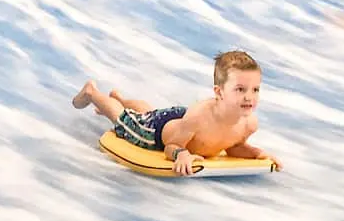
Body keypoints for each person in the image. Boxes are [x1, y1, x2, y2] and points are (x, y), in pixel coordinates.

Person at [72, 50, 282, 175]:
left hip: (180, 119)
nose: (249, 97)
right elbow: (171, 146)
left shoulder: (248, 123)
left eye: (255, 89)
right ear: (219, 92)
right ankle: (94, 93)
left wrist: (257, 154)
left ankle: (120, 98)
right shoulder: (200, 117)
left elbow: (233, 148)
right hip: (156, 133)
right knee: (127, 120)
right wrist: (181, 154)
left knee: (149, 111)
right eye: (240, 90)